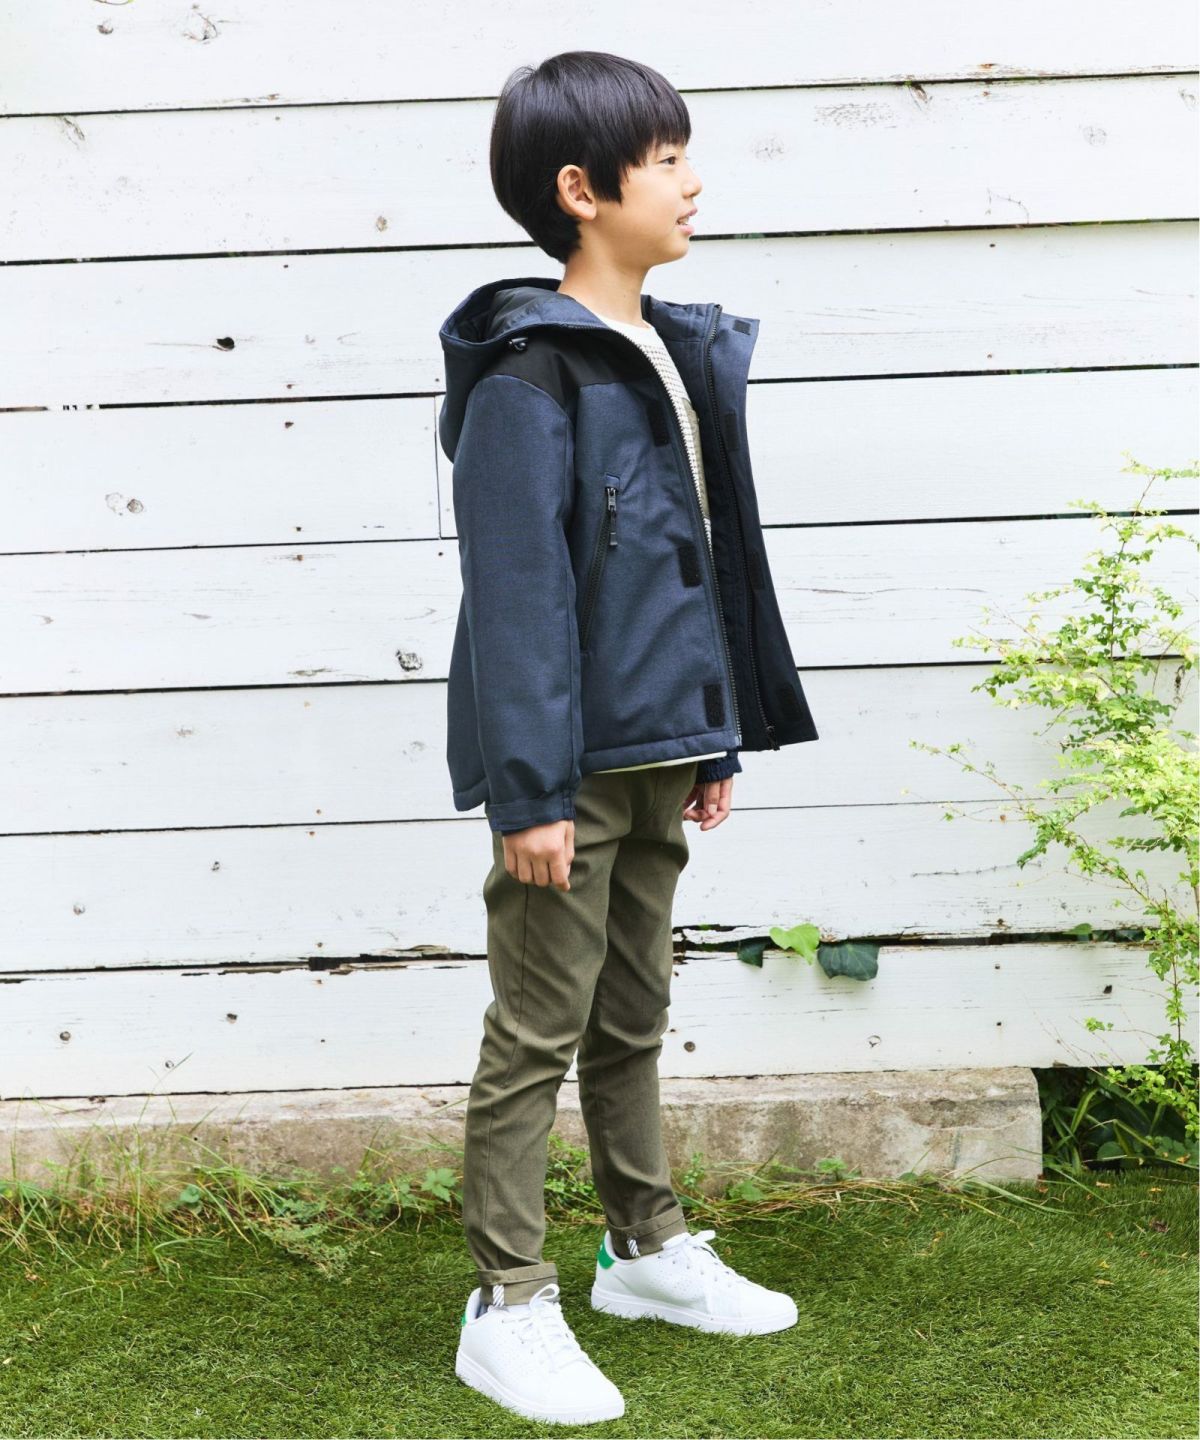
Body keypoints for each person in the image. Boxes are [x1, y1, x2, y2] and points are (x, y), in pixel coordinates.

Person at [436, 49, 820, 1427]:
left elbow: (690, 567)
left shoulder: (667, 350)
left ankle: (644, 1249)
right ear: (582, 190)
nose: (693, 182)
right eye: (666, 161)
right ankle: (507, 1303)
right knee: (538, 1029)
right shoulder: (531, 374)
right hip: (569, 774)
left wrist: (713, 740)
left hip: (660, 751)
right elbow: (520, 598)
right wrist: (529, 792)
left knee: (634, 1015)